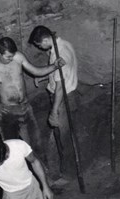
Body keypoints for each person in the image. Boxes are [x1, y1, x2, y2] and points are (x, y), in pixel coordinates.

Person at [0, 37, 65, 145]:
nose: (11, 59)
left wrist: (55, 66)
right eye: (8, 57)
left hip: (25, 108)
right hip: (6, 112)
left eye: (13, 56)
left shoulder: (18, 57)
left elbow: (36, 71)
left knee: (36, 144)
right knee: (11, 148)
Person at [28, 25, 79, 179]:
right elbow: (60, 71)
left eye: (39, 45)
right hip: (69, 95)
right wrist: (44, 76)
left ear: (45, 40)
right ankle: (65, 170)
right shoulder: (64, 45)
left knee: (64, 139)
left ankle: (68, 174)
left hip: (64, 100)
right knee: (62, 135)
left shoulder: (59, 53)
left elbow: (59, 88)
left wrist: (54, 111)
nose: (40, 48)